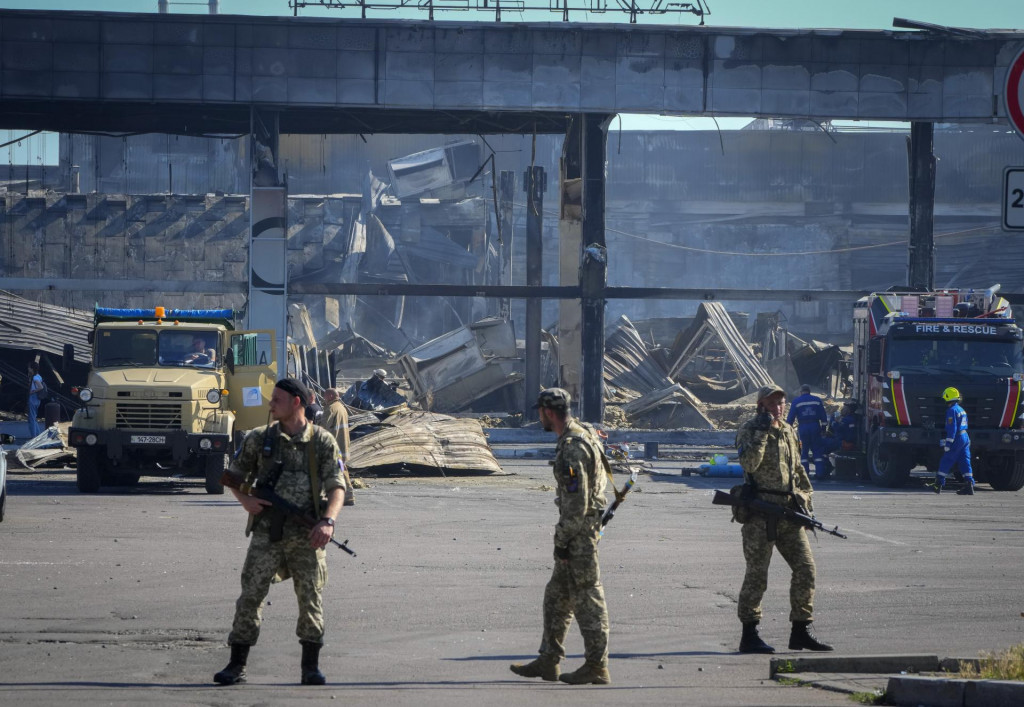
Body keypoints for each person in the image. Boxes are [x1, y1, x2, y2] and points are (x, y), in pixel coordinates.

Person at [213, 378, 347, 686]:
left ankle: (310, 667)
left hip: (308, 535)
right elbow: (232, 476)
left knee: (310, 599)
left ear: (296, 402)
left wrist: (328, 521)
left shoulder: (321, 441)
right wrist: (246, 501)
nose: (271, 404)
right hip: (266, 534)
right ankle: (236, 664)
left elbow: (337, 486)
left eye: (277, 399)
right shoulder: (259, 438)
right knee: (250, 596)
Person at [510, 388, 612, 686]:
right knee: (556, 596)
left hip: (578, 533)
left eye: (541, 413)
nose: (539, 418)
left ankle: (597, 666)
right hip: (582, 527)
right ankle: (549, 660)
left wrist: (562, 540)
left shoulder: (572, 447)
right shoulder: (584, 433)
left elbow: (577, 502)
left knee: (588, 598)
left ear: (548, 413)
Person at [734, 384, 833, 654]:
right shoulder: (749, 429)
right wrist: (763, 431)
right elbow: (749, 464)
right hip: (759, 515)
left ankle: (801, 631)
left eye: (781, 402)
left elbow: (798, 470)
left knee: (806, 569)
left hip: (788, 514)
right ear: (761, 406)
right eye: (772, 403)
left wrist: (806, 504)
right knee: (757, 575)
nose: (778, 407)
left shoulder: (789, 430)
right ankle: (749, 634)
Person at [932, 387, 974, 495]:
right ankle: (969, 485)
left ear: (947, 397)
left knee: (947, 459)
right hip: (965, 436)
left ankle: (938, 484)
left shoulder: (951, 411)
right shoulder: (961, 409)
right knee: (965, 461)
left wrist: (948, 443)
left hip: (957, 438)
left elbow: (952, 428)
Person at [786, 384, 830, 478]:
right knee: (817, 450)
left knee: (803, 450)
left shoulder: (796, 401)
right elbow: (823, 416)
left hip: (803, 427)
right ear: (809, 391)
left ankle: (805, 474)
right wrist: (823, 429)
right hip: (815, 426)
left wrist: (787, 430)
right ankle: (820, 473)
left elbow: (790, 418)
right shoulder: (817, 400)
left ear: (801, 392)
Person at [321, 387, 355, 506]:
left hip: (333, 444)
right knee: (341, 467)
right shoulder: (341, 407)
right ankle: (347, 495)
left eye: (325, 396)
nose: (324, 399)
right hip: (342, 443)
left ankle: (340, 495)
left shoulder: (330, 408)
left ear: (330, 396)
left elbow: (323, 427)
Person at [26, 362, 44, 438]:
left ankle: (34, 437)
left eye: (29, 367)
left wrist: (33, 391)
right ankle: (38, 435)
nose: (28, 369)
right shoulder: (38, 376)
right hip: (37, 399)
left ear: (32, 369)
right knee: (34, 417)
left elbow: (41, 387)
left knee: (31, 419)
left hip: (33, 398)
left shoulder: (35, 378)